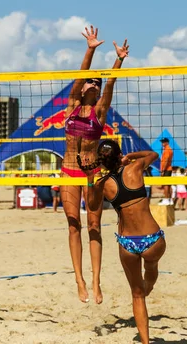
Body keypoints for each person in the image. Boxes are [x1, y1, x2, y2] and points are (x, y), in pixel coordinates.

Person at [60, 25, 129, 304]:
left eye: (96, 83)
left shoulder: (99, 111)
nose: (94, 83)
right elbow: (79, 78)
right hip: (68, 171)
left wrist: (118, 60)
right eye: (91, 81)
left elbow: (110, 83)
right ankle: (79, 279)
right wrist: (90, 49)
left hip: (92, 172)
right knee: (73, 224)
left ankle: (97, 282)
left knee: (94, 226)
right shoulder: (72, 104)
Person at [79, 140, 166, 344]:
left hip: (127, 243)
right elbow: (154, 154)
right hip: (152, 239)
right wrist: (132, 156)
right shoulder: (135, 167)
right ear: (120, 155)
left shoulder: (102, 184)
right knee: (151, 268)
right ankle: (150, 284)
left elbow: (91, 206)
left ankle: (145, 342)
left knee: (137, 296)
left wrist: (90, 179)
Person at [158, 138, 173, 205]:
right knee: (168, 185)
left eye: (163, 142)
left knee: (166, 185)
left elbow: (166, 160)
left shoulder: (167, 150)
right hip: (168, 169)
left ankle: (167, 199)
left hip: (166, 169)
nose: (162, 143)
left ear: (167, 142)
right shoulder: (169, 150)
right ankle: (169, 199)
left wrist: (163, 170)